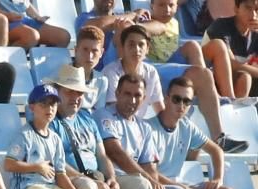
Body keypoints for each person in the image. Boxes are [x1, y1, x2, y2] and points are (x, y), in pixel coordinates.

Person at [103, 25, 246, 154]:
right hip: (120, 131)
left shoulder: (150, 71)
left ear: (147, 49)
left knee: (187, 139)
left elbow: (160, 109)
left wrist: (172, 131)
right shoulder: (111, 72)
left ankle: (217, 140)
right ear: (122, 47)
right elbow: (114, 111)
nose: (136, 49)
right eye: (131, 44)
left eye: (141, 45)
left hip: (141, 130)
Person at [47, 64, 159, 189]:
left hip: (98, 178)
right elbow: (56, 163)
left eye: (79, 92)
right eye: (69, 91)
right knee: (88, 186)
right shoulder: (51, 122)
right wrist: (86, 179)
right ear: (57, 93)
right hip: (72, 180)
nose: (75, 97)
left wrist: (111, 179)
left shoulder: (87, 118)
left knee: (142, 186)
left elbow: (101, 155)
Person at [97, 74, 186, 189]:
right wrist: (149, 180)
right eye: (127, 94)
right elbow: (114, 152)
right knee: (144, 185)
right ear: (117, 93)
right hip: (110, 180)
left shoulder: (144, 127)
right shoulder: (104, 115)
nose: (132, 100)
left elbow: (150, 167)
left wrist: (154, 182)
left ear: (144, 98)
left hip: (137, 181)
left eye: (137, 95)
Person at [147, 78, 238, 189]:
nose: (181, 105)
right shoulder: (149, 129)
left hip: (179, 188)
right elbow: (150, 173)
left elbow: (216, 150)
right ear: (166, 99)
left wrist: (218, 179)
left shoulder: (186, 126)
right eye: (176, 99)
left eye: (187, 101)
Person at [143, 0, 240, 99]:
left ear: (177, 6)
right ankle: (209, 91)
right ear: (152, 6)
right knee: (192, 46)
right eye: (161, 5)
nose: (167, 9)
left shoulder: (174, 22)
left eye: (171, 5)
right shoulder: (146, 19)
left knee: (218, 45)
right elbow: (137, 26)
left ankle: (230, 98)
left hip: (176, 61)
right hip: (159, 65)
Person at [204, 0, 258, 96]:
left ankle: (238, 108)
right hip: (210, 80)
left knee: (246, 77)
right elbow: (232, 64)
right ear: (236, 9)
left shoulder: (256, 33)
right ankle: (231, 104)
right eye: (248, 8)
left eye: (257, 10)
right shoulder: (221, 26)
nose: (253, 15)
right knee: (245, 78)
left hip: (240, 79)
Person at [0, 0, 70, 48]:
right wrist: (6, 15)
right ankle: (6, 66)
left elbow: (26, 4)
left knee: (63, 37)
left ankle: (48, 75)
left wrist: (38, 17)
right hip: (3, 21)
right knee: (31, 36)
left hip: (23, 19)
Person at [72, 25, 110, 110]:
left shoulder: (102, 80)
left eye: (95, 51)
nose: (89, 56)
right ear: (76, 50)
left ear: (101, 53)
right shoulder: (64, 74)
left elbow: (98, 112)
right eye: (85, 49)